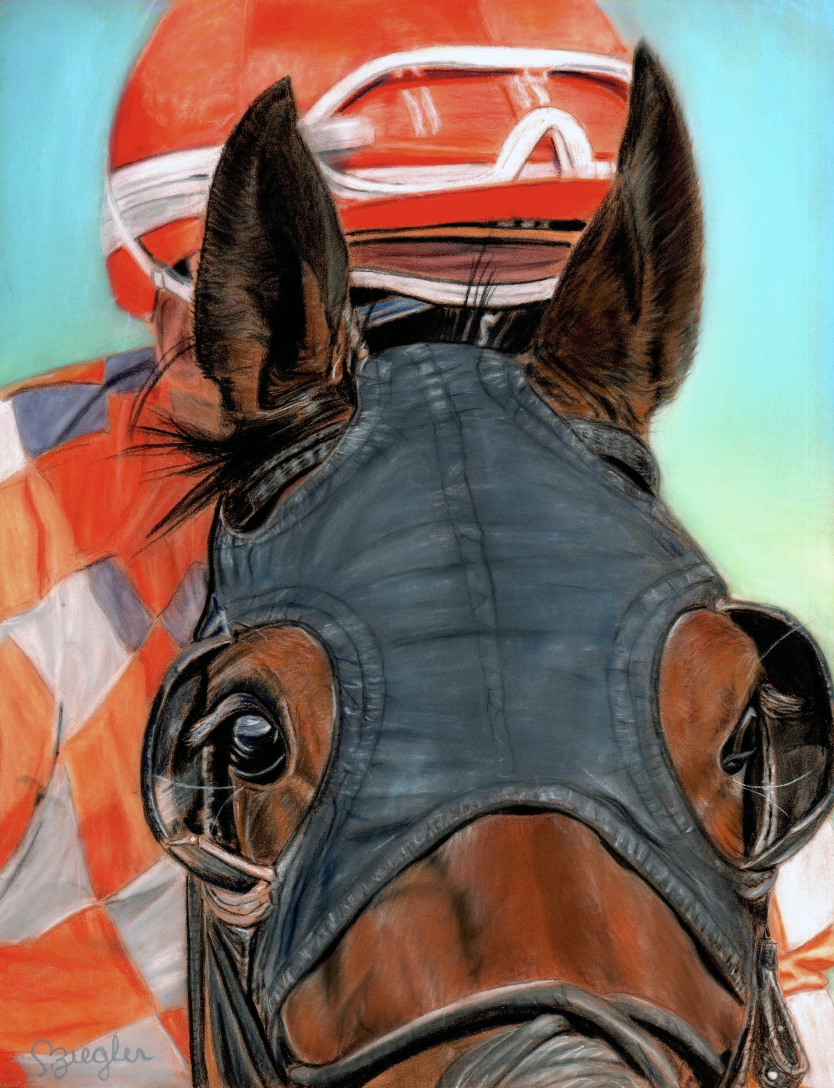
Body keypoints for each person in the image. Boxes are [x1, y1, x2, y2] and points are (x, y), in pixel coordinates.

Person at [0, 1, 633, 1082]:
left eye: (523, 334)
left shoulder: (592, 576)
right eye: (379, 321)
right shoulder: (27, 554)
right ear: (182, 319)